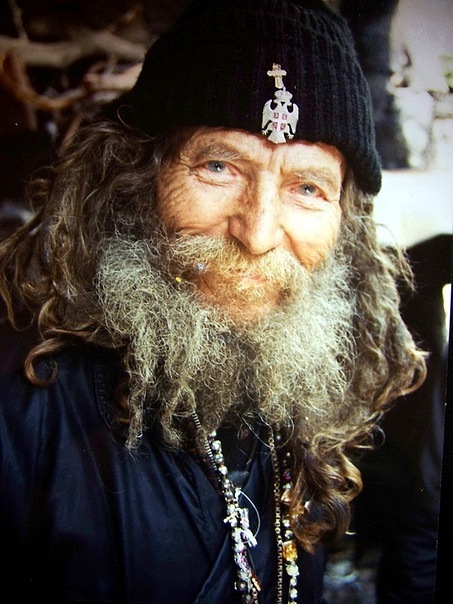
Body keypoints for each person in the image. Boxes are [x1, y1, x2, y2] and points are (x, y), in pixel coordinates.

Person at [0, 1, 426, 602]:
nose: (258, 233)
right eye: (219, 166)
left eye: (308, 187)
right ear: (135, 180)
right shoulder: (22, 406)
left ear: (345, 225)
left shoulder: (309, 391)